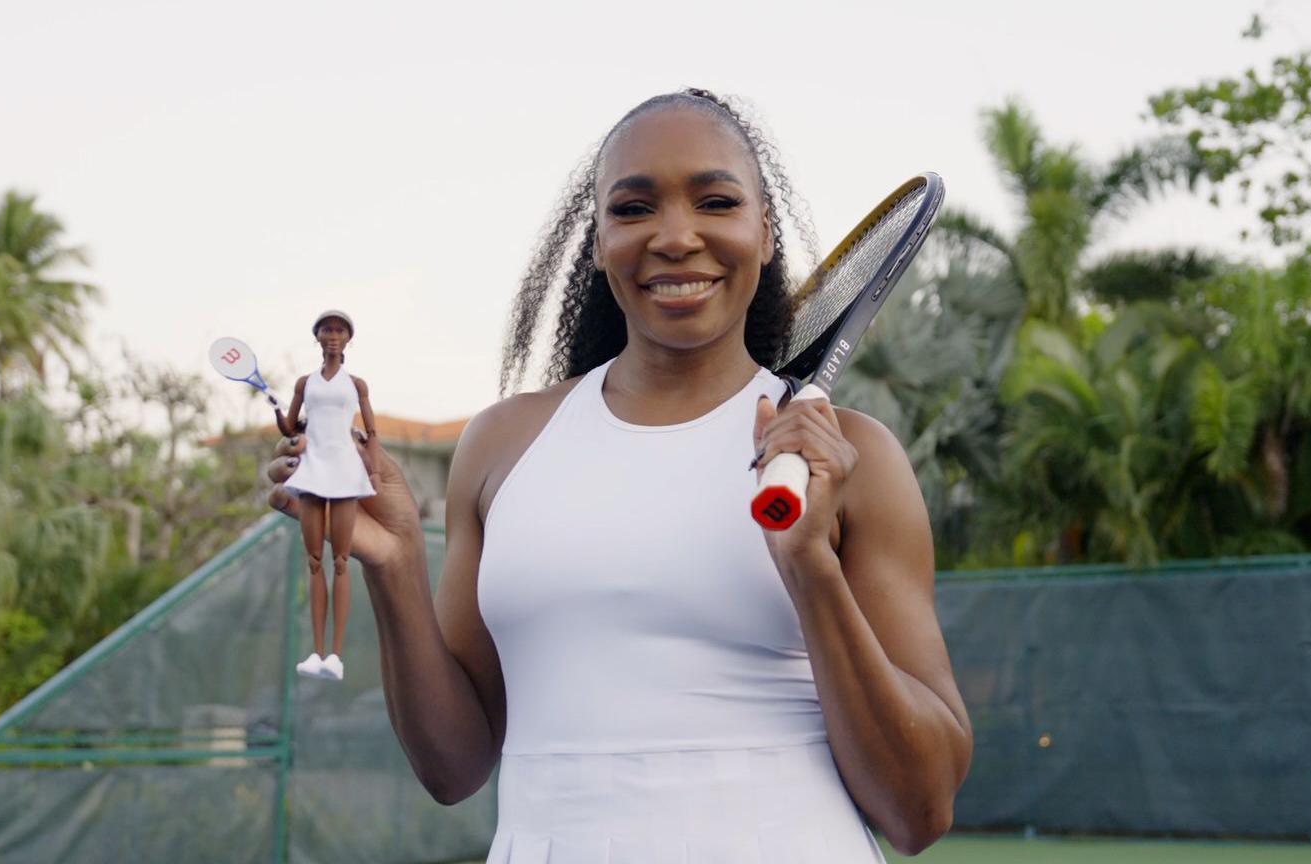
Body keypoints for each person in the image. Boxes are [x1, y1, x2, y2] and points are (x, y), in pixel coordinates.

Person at [268, 89, 971, 861]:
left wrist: (808, 566)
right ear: (599, 242)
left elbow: (920, 809)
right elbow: (452, 768)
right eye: (634, 209)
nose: (675, 236)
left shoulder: (853, 462)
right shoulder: (502, 445)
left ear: (764, 231)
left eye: (716, 200)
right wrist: (397, 563)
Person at [276, 309, 378, 682]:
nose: (333, 335)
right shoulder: (305, 383)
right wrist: (278, 414)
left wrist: (376, 470)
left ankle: (336, 655)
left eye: (340, 330)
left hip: (346, 470)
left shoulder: (357, 385)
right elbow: (290, 425)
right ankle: (316, 653)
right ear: (317, 336)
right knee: (315, 559)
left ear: (349, 339)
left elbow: (371, 430)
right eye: (327, 330)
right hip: (313, 468)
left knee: (341, 559)